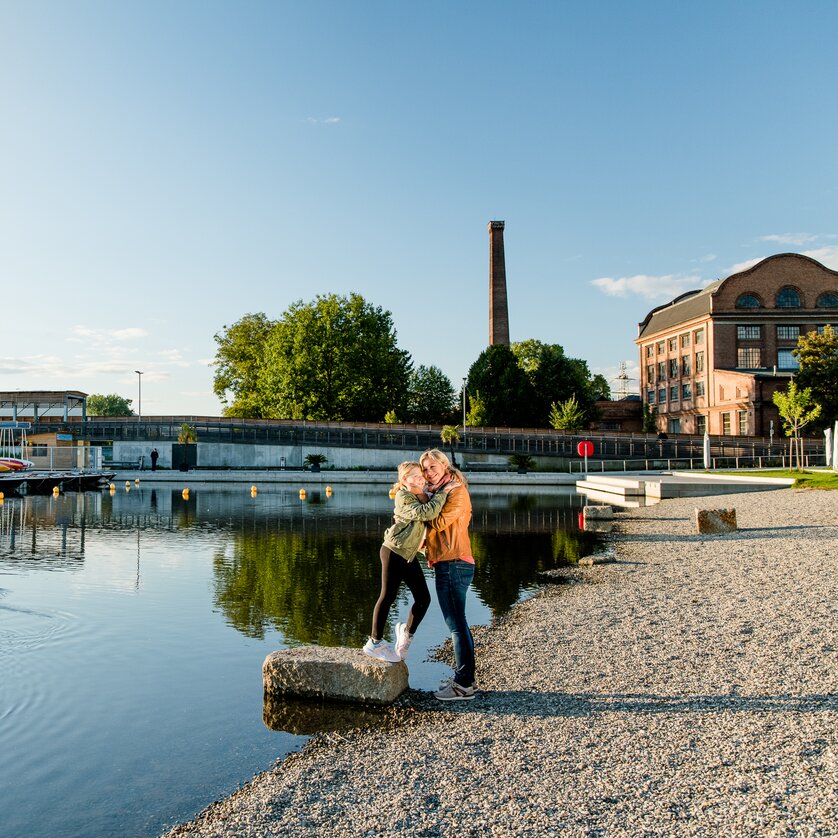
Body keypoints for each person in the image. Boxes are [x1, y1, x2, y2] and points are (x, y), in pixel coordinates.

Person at [363, 462, 454, 663]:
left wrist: (439, 491)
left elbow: (434, 511)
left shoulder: (421, 496)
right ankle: (374, 642)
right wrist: (442, 493)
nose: (421, 478)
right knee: (387, 596)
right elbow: (426, 513)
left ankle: (406, 632)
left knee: (423, 599)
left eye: (421, 475)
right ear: (404, 480)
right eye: (414, 476)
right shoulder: (403, 497)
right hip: (393, 552)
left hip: (408, 555)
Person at [419, 448, 477, 701]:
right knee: (457, 624)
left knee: (456, 626)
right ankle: (464, 680)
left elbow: (437, 522)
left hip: (455, 562)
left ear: (444, 466)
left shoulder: (455, 491)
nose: (428, 472)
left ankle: (463, 685)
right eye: (424, 469)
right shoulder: (441, 492)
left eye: (433, 467)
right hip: (447, 561)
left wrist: (416, 499)